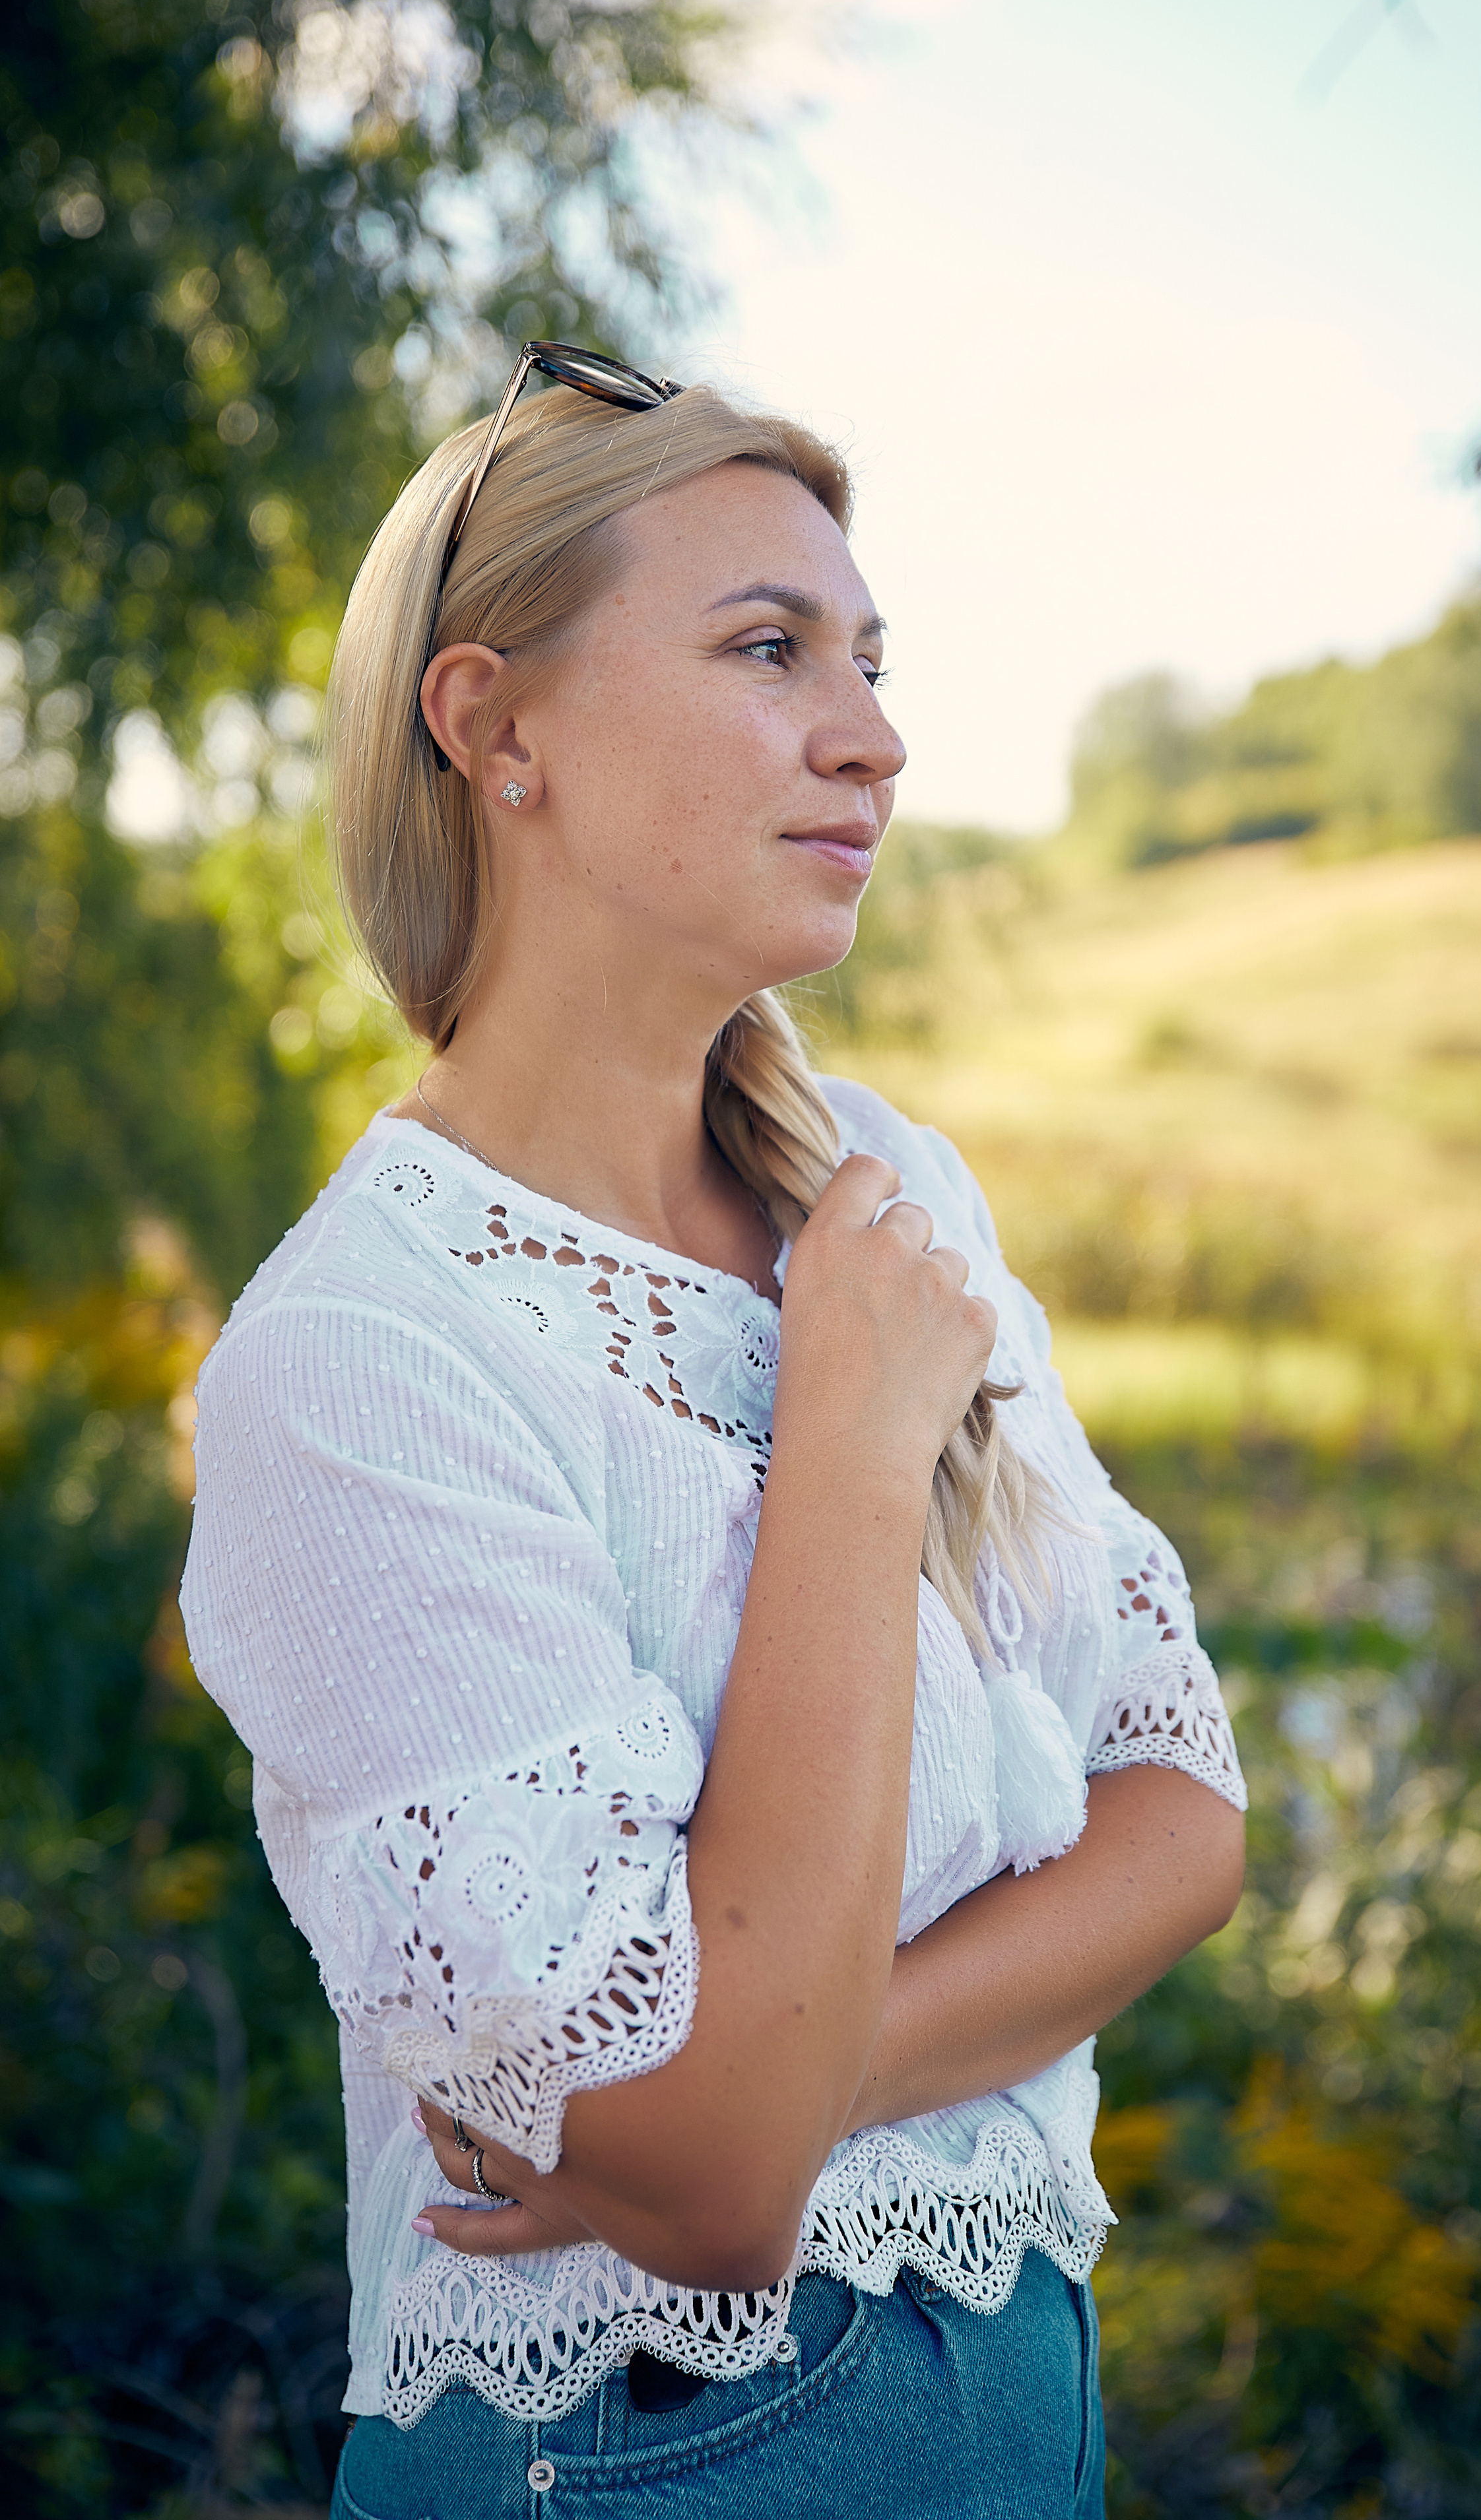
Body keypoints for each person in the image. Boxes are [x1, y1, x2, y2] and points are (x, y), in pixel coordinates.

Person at [181, 344, 1247, 2520]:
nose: (873, 734)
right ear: (492, 729)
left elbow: (1183, 1812)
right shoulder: (362, 1360)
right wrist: (851, 1457)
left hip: (1017, 2417)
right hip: (633, 2462)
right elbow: (722, 2201)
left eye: (868, 658)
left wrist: (768, 2078)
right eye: (771, 650)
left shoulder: (883, 1192)